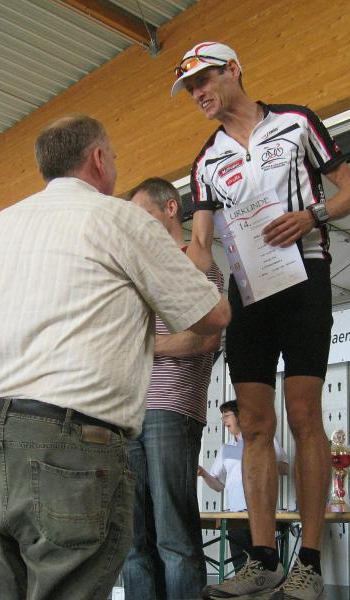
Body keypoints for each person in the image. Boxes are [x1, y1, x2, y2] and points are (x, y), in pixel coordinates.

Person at [0, 115, 230, 600]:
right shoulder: (120, 219)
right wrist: (201, 250)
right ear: (98, 159)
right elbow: (213, 316)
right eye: (113, 155)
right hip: (69, 439)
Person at [172, 41, 350, 599]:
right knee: (254, 424)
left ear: (234, 69)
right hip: (249, 289)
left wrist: (312, 214)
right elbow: (201, 245)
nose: (198, 93)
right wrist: (171, 277)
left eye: (205, 79)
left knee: (304, 415)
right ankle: (261, 559)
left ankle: (309, 560)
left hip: (306, 275)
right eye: (190, 88)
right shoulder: (205, 160)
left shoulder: (297, 122)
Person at [121, 177, 225, 600]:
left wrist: (145, 346)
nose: (136, 226)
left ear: (170, 208)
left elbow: (205, 339)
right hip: (127, 412)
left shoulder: (196, 265)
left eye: (142, 215)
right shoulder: (139, 274)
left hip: (171, 408)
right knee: (133, 540)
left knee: (174, 536)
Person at [199, 401, 289, 572]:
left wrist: (263, 462)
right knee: (241, 568)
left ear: (240, 416)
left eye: (227, 416)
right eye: (222, 417)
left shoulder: (264, 439)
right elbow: (218, 486)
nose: (223, 421)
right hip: (236, 517)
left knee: (268, 567)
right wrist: (204, 473)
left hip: (262, 514)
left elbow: (285, 468)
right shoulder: (226, 449)